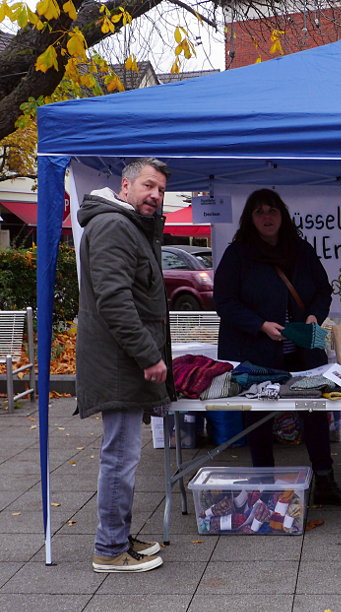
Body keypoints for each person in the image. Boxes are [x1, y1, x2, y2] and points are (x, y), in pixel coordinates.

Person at [214, 188, 341, 507]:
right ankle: (265, 488)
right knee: (259, 419)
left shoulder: (301, 250)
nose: (267, 217)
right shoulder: (238, 254)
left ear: (283, 215)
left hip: (304, 351)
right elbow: (224, 301)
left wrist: (313, 315)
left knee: (314, 413)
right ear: (249, 218)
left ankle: (325, 481)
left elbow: (323, 290)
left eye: (272, 211)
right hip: (258, 353)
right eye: (259, 212)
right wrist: (260, 325)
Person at [76, 157, 176, 572]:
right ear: (126, 185)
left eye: (161, 191)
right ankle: (110, 549)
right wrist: (148, 355)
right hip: (120, 366)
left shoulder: (127, 225)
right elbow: (115, 301)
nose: (154, 195)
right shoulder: (115, 226)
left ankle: (118, 535)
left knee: (122, 457)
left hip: (121, 365)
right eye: (148, 186)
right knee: (120, 458)